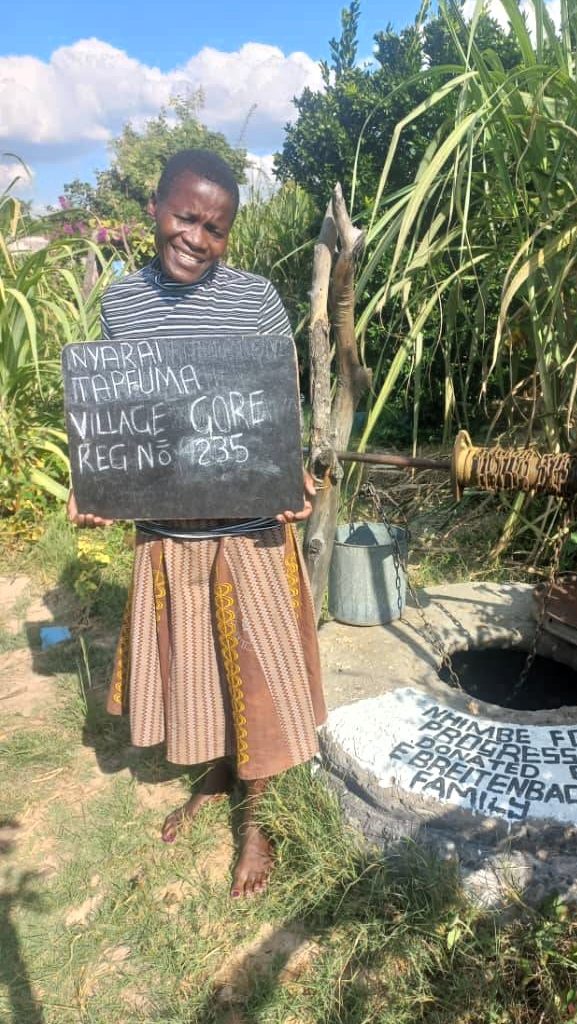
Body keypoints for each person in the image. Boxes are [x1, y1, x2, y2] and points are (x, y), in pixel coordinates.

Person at [67, 148, 326, 897]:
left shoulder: (256, 300)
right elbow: (117, 416)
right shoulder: (122, 303)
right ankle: (216, 773)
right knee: (201, 667)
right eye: (185, 217)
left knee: (260, 676)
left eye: (215, 229)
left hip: (247, 530)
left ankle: (258, 820)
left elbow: (277, 410)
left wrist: (292, 473)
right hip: (171, 535)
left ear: (228, 236)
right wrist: (96, 486)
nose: (196, 239)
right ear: (154, 208)